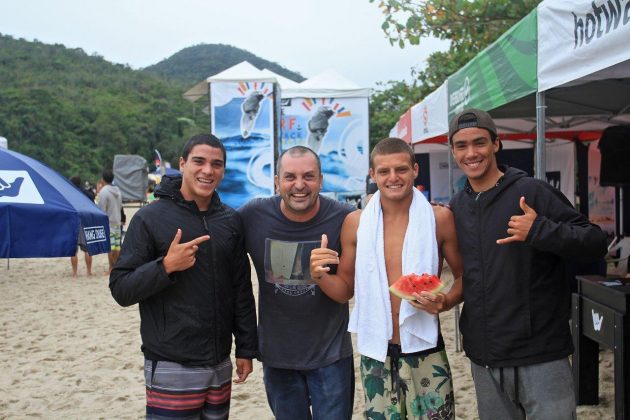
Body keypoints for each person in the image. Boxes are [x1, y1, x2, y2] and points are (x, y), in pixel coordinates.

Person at [447, 108, 608, 419]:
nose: (471, 153)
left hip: (541, 354)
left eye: (479, 143)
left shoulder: (530, 191)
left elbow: (595, 242)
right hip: (486, 358)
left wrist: (539, 230)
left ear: (496, 144)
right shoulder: (458, 206)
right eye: (461, 145)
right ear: (453, 151)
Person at [310, 137, 464, 419]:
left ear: (415, 170)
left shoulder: (438, 218)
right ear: (373, 175)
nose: (393, 178)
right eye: (384, 171)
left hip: (426, 347)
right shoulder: (356, 223)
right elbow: (345, 290)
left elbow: (465, 276)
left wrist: (446, 301)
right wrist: (318, 276)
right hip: (376, 352)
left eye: (401, 169)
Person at [109, 134, 258, 419]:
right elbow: (120, 288)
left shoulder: (230, 220)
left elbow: (241, 289)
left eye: (216, 164)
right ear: (182, 164)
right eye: (199, 161)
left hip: (219, 362)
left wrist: (246, 348)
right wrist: (164, 267)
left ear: (223, 171)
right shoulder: (149, 218)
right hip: (170, 362)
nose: (207, 170)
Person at [238, 145, 355, 420]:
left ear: (321, 180)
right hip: (278, 357)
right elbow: (215, 236)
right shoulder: (253, 216)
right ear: (277, 182)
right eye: (290, 177)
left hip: (332, 357)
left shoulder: (344, 218)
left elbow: (346, 291)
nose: (299, 185)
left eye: (309, 177)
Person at [97, 169, 123, 274]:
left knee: (110, 247)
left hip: (108, 222)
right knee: (117, 246)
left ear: (103, 179)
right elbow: (120, 206)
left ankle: (111, 268)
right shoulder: (118, 191)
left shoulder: (104, 192)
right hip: (117, 221)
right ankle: (117, 267)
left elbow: (101, 209)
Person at [69, 175, 94, 277]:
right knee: (87, 250)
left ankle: (75, 273)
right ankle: (89, 272)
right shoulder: (86, 193)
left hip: (73, 223)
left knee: (73, 251)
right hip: (85, 222)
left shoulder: (69, 193)